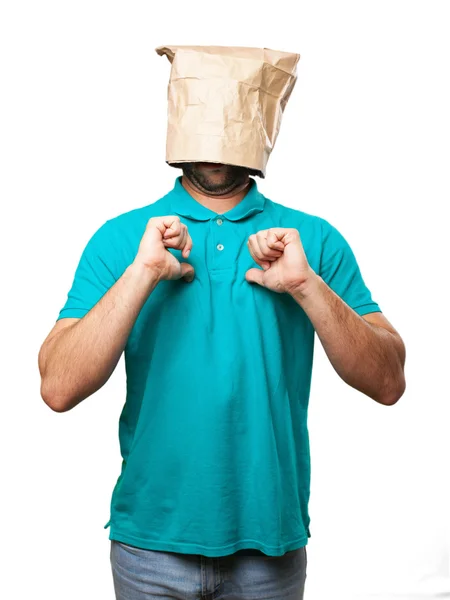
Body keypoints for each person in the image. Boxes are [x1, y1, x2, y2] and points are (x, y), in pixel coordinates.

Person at [38, 47, 406, 600]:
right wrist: (142, 273)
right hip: (148, 549)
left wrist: (306, 285)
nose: (214, 148)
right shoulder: (123, 238)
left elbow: (389, 381)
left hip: (269, 552)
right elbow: (57, 387)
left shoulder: (311, 241)